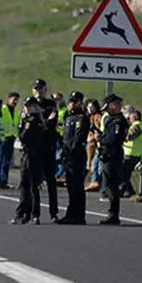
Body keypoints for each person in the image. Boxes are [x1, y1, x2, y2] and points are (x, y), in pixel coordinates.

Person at [13, 97, 48, 224]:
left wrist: (22, 126)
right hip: (28, 155)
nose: (27, 108)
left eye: (30, 106)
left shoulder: (33, 121)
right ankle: (25, 213)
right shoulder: (30, 120)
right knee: (25, 185)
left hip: (33, 155)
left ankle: (34, 214)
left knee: (32, 186)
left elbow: (23, 136)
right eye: (26, 106)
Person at [58, 91, 89, 224]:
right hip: (68, 156)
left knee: (77, 186)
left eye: (74, 102)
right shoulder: (68, 117)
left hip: (76, 156)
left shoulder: (81, 118)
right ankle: (71, 213)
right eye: (70, 101)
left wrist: (70, 151)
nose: (71, 104)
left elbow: (78, 138)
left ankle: (78, 215)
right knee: (71, 186)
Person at [32, 79, 60, 222]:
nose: (38, 92)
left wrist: (43, 122)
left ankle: (54, 213)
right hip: (36, 148)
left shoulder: (50, 104)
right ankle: (35, 214)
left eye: (41, 89)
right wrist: (43, 122)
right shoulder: (31, 103)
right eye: (36, 89)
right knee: (35, 183)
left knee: (51, 182)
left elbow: (52, 121)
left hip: (48, 147)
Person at [98, 94, 128, 225]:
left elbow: (113, 139)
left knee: (111, 185)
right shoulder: (112, 120)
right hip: (108, 154)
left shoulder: (118, 121)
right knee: (108, 184)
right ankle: (112, 213)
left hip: (112, 155)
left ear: (113, 105)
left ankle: (113, 214)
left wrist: (101, 138)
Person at [120, 108, 142, 198]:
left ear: (135, 117)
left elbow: (129, 137)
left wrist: (123, 131)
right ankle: (123, 190)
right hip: (135, 153)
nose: (129, 119)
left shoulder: (136, 125)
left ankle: (130, 191)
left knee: (122, 173)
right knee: (126, 174)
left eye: (130, 117)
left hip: (132, 153)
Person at [0, 92, 20, 187]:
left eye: (17, 100)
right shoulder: (3, 109)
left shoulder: (15, 112)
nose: (15, 102)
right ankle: (0, 179)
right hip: (4, 137)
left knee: (7, 160)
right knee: (2, 160)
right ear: (9, 99)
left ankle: (4, 180)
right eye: (14, 99)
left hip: (12, 137)